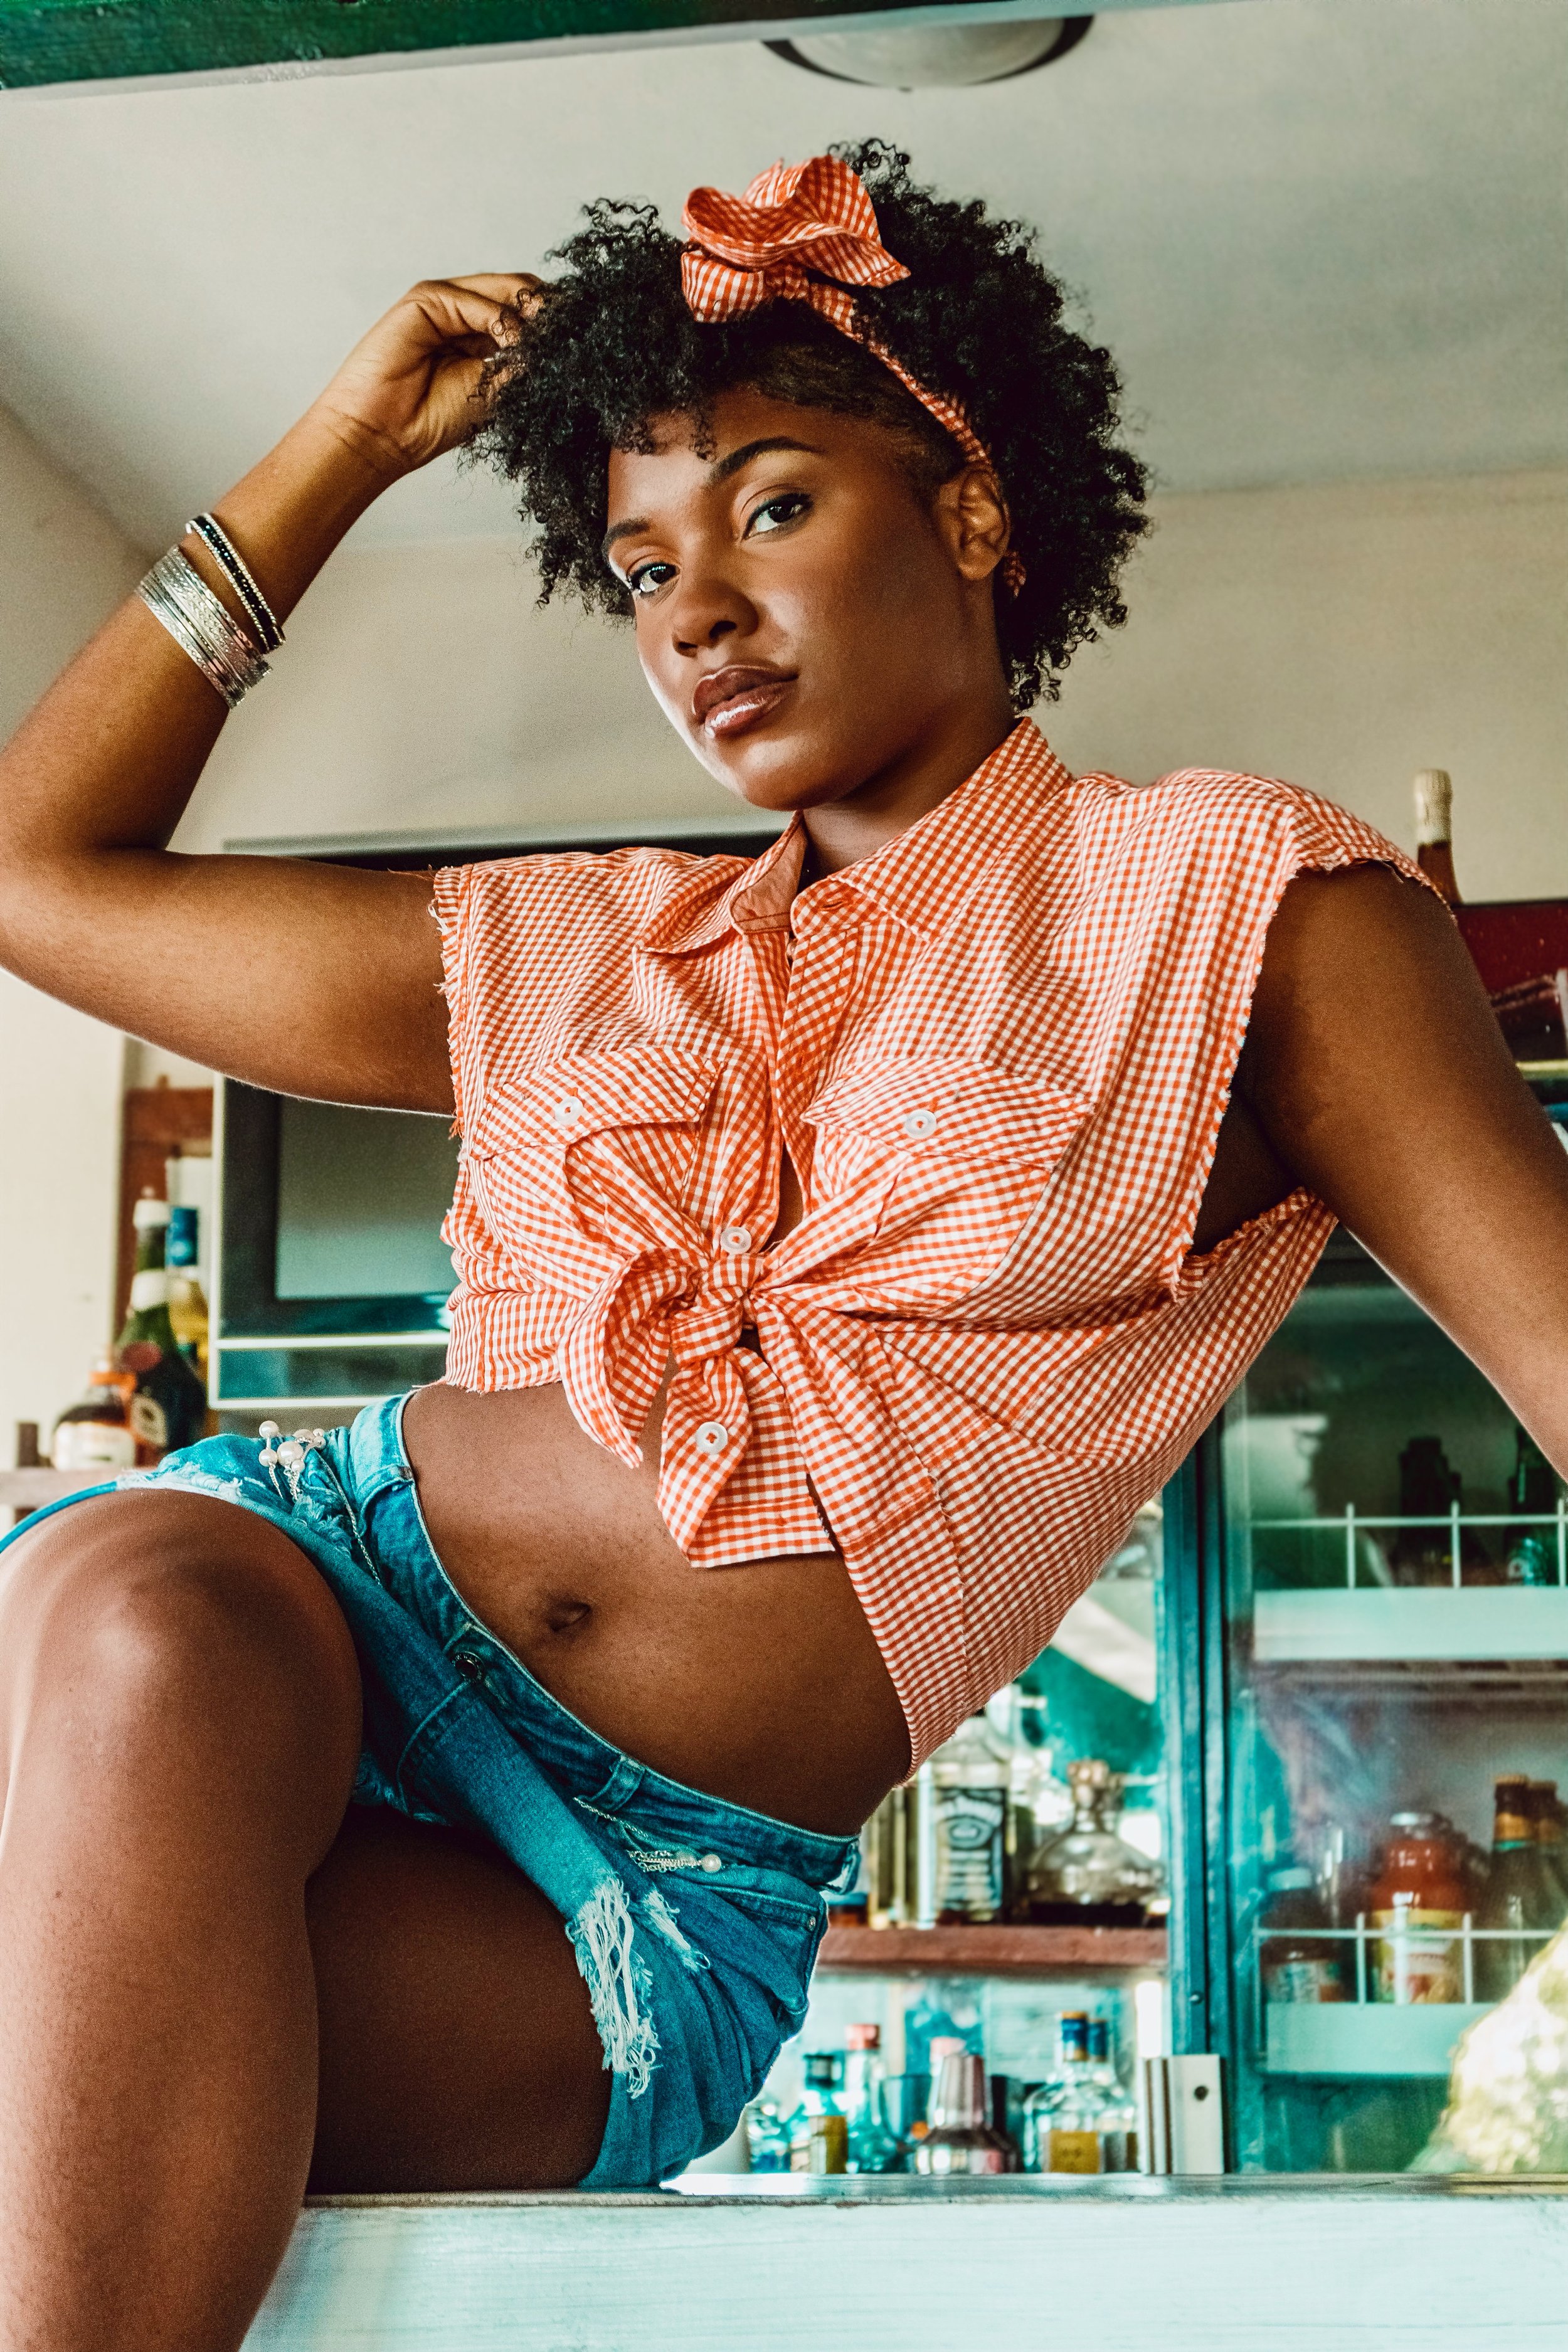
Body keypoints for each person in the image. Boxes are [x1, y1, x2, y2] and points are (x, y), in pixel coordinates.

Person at [0, 138, 1563, 2348]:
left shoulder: (1248, 918)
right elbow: (35, 877)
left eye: (769, 508)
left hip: (637, 1890)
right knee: (147, 1620)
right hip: (295, 1611)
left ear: (974, 510)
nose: (695, 618)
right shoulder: (565, 942)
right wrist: (337, 447)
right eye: (637, 571)